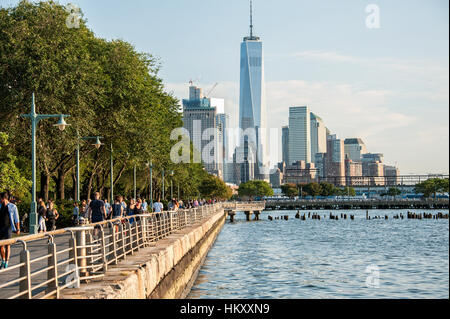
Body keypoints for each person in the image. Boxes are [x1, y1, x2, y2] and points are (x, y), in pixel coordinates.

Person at [0, 192, 20, 269]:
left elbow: (16, 218)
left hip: (8, 227)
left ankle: (6, 262)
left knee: (8, 245)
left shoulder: (12, 206)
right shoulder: (0, 206)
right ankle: (3, 259)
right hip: (0, 228)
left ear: (3, 198)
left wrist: (18, 228)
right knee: (1, 245)